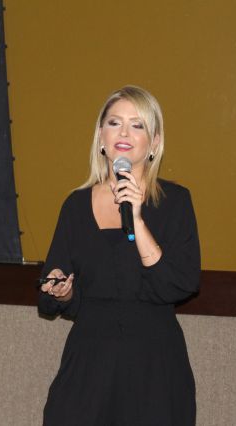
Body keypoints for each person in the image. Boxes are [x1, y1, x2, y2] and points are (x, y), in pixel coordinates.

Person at [38, 85, 201, 426]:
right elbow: (56, 293)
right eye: (114, 123)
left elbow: (179, 285)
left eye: (137, 125)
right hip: (88, 366)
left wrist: (137, 220)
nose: (124, 133)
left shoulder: (175, 202)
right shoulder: (75, 205)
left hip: (154, 368)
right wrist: (62, 291)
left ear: (154, 142)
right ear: (101, 136)